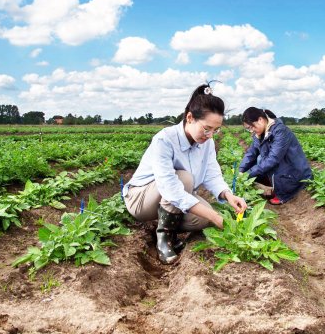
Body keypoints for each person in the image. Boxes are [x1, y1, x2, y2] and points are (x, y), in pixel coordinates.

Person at [123, 84, 247, 264]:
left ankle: (167, 220)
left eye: (216, 130)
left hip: (174, 196)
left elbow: (212, 174)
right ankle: (165, 237)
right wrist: (215, 217)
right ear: (190, 117)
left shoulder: (207, 143)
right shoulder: (164, 139)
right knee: (185, 179)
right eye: (206, 128)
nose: (210, 135)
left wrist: (228, 195)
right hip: (141, 200)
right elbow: (170, 189)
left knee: (201, 219)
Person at [239, 107, 312, 205]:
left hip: (294, 172)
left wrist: (248, 174)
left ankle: (282, 192)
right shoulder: (259, 134)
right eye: (248, 129)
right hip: (282, 168)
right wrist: (241, 170)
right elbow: (251, 153)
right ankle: (272, 185)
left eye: (251, 127)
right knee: (258, 163)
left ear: (260, 120)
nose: (251, 131)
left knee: (260, 165)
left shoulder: (280, 131)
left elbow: (273, 159)